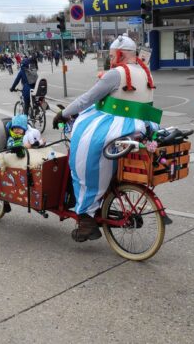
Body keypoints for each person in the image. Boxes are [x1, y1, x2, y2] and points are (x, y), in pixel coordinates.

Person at [51, 34, 160, 242]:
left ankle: (85, 219)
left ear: (120, 54)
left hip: (118, 127)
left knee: (83, 157)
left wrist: (64, 114)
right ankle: (105, 198)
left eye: (111, 56)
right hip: (143, 126)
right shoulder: (146, 72)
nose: (110, 60)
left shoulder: (116, 74)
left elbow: (87, 98)